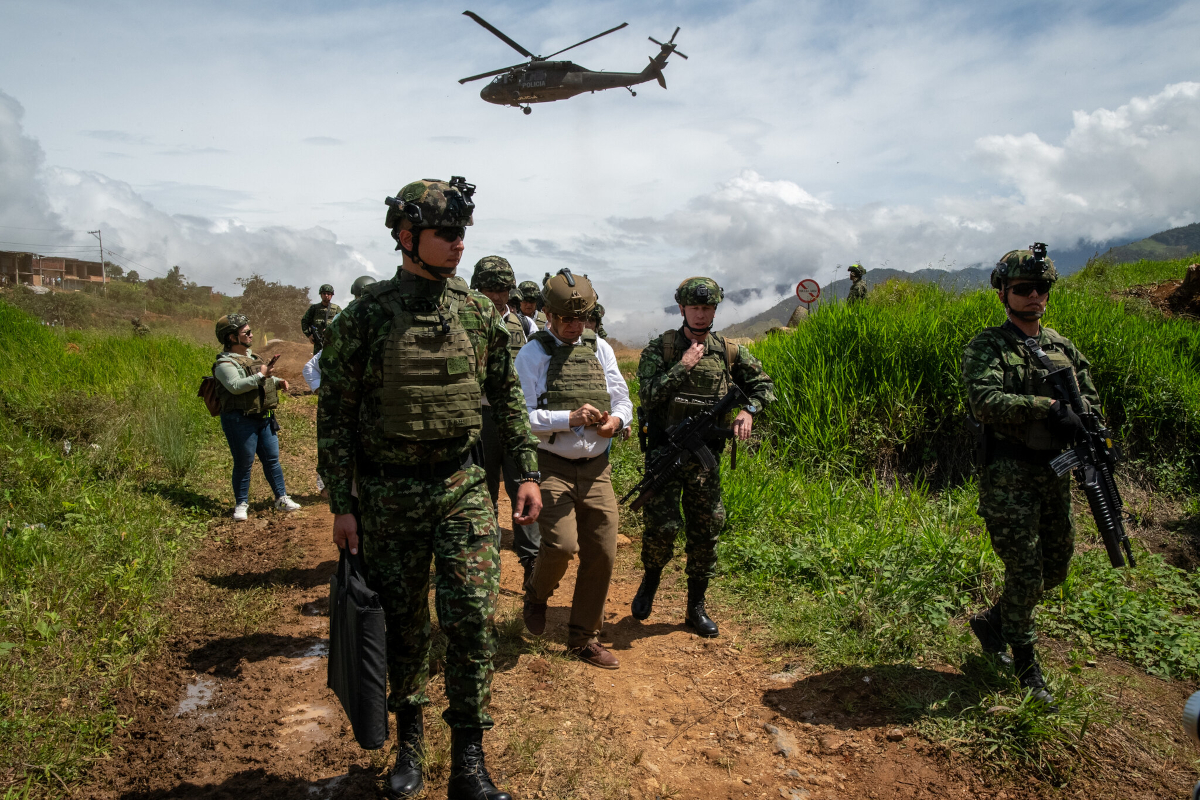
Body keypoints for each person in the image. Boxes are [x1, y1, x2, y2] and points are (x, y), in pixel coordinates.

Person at [318, 176, 541, 800]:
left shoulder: (476, 313)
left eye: (463, 233)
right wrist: (344, 503)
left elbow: (506, 398)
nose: (458, 244)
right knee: (405, 625)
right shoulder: (364, 319)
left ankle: (470, 760)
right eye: (446, 233)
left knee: (470, 617)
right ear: (406, 235)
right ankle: (410, 745)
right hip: (388, 496)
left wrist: (523, 473)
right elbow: (335, 413)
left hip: (461, 486)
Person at [962, 244, 1098, 712]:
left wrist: (1092, 432)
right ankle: (1025, 665)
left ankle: (993, 623)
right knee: (1024, 569)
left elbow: (1089, 397)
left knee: (1056, 565)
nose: (1033, 296)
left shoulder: (1061, 346)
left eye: (1041, 288)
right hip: (1009, 474)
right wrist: (1048, 408)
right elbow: (984, 401)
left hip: (1054, 471)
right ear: (1003, 293)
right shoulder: (989, 345)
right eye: (1022, 288)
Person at [633, 277, 776, 637]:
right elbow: (648, 396)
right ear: (681, 308)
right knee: (662, 528)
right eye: (695, 308)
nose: (701, 314)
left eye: (707, 308)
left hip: (703, 462)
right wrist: (682, 365)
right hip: (665, 455)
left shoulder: (729, 351)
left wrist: (750, 410)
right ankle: (650, 580)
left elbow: (764, 385)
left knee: (707, 530)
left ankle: (695, 606)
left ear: (715, 309)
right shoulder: (662, 348)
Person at [514, 268, 631, 670]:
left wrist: (616, 422)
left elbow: (622, 398)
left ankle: (583, 638)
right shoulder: (533, 354)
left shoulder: (601, 349)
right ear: (549, 315)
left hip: (597, 466)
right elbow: (524, 416)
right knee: (563, 546)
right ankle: (536, 593)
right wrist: (570, 417)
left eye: (580, 318)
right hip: (552, 465)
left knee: (602, 552)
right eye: (566, 318)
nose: (573, 325)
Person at [470, 255, 541, 588]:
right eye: (489, 288)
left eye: (502, 289)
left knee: (522, 486)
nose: (496, 296)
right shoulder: (465, 322)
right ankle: (487, 559)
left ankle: (531, 561)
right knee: (483, 492)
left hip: (514, 416)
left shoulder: (525, 326)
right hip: (480, 417)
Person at [212, 313, 300, 521]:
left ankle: (281, 497)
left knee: (272, 460)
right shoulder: (224, 364)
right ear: (232, 338)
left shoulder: (253, 358)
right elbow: (235, 386)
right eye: (246, 332)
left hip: (264, 417)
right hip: (239, 420)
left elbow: (262, 378)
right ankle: (241, 504)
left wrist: (277, 380)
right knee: (244, 462)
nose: (251, 335)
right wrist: (262, 374)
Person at [301, 283, 342, 353]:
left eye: (328, 293)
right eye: (324, 293)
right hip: (318, 342)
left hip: (332, 342)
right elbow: (304, 321)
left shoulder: (336, 308)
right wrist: (309, 335)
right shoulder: (314, 308)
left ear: (332, 295)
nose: (326, 295)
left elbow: (343, 322)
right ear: (321, 294)